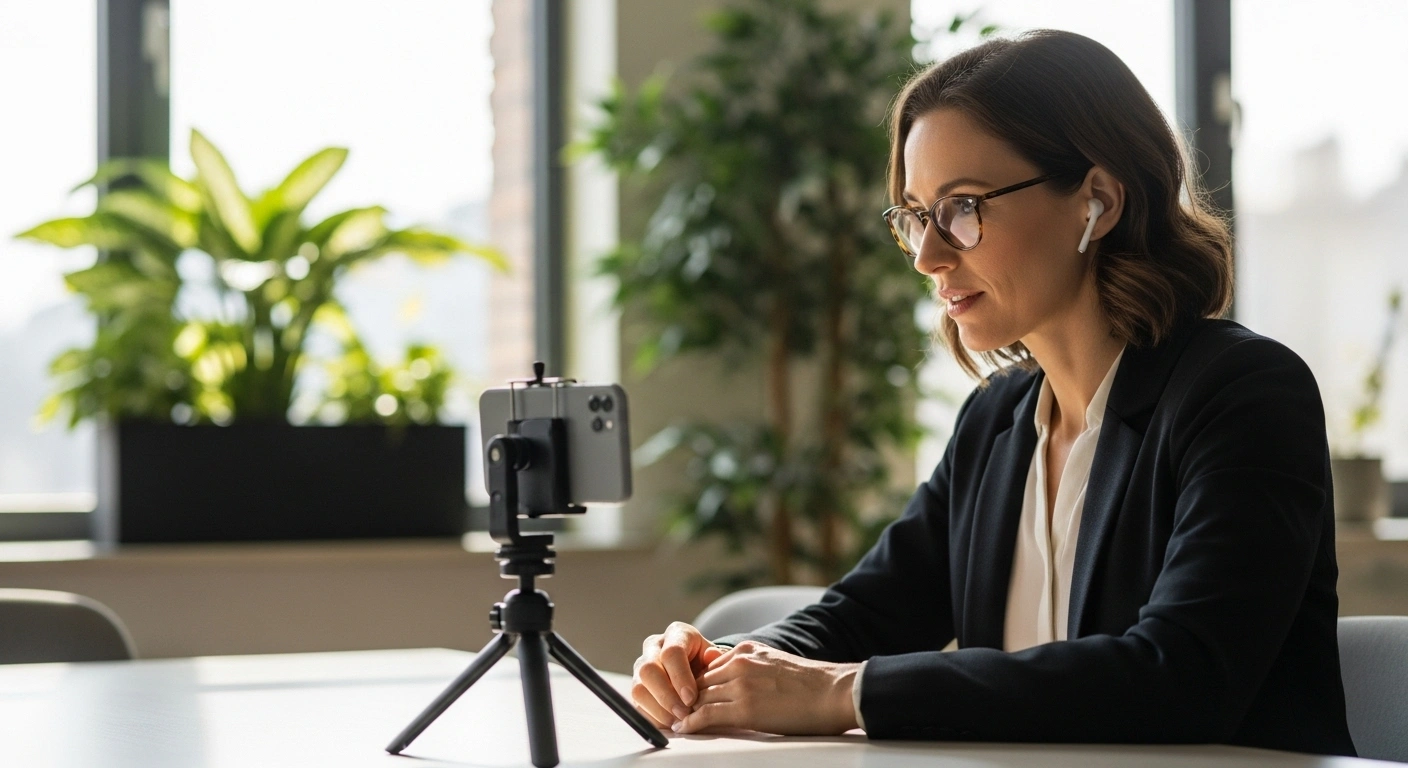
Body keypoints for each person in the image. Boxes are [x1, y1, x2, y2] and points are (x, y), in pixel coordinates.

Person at [629, 29, 1357, 757]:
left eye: (963, 208)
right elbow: (860, 616)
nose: (927, 255)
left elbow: (1181, 677)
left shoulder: (1243, 396)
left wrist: (840, 693)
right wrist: (715, 667)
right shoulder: (996, 421)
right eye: (916, 215)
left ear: (1097, 201)